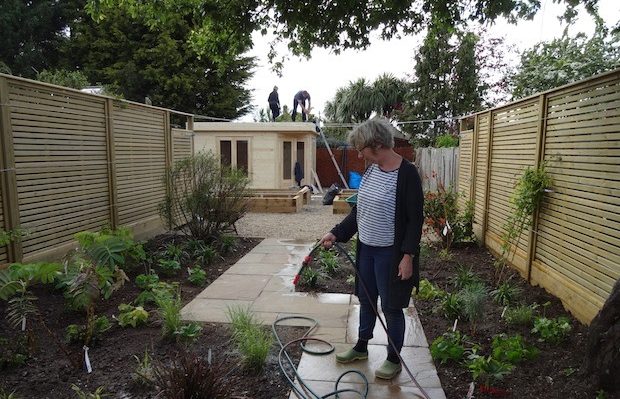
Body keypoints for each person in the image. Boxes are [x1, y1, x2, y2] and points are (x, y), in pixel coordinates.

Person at [319, 118, 424, 380]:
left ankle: (393, 358)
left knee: (391, 306)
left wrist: (407, 256)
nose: (358, 153)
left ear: (376, 145)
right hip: (366, 248)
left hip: (391, 254)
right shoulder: (371, 171)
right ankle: (362, 346)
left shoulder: (407, 174)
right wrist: (337, 232)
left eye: (361, 148)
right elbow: (359, 212)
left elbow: (414, 220)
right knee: (366, 300)